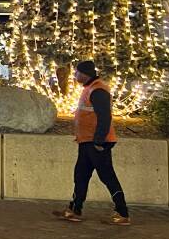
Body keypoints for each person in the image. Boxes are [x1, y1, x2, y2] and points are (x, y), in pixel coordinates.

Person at [54, 60, 130, 226]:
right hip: (86, 141)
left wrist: (99, 141)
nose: (74, 76)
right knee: (80, 175)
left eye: (77, 73)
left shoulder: (98, 90)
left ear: (84, 74)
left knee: (107, 176)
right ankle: (74, 209)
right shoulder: (89, 88)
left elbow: (104, 117)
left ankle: (122, 212)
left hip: (96, 142)